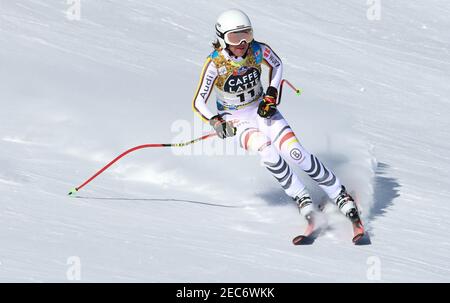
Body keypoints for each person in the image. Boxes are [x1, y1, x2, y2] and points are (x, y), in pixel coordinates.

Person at [192, 9, 360, 225]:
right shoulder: (215, 63)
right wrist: (216, 121)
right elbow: (198, 101)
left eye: (247, 34)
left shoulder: (257, 50)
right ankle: (301, 195)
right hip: (235, 119)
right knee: (267, 151)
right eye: (235, 37)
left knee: (296, 152)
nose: (243, 42)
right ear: (222, 38)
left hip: (261, 110)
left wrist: (272, 93)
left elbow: (277, 64)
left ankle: (339, 193)